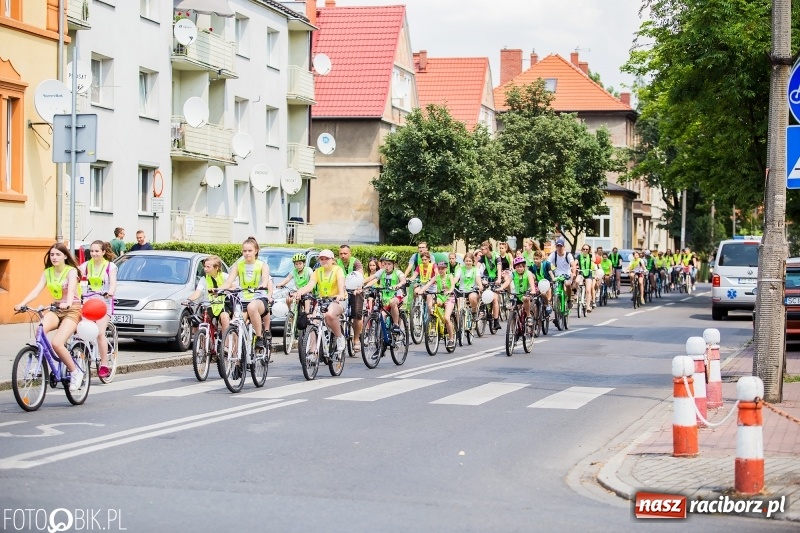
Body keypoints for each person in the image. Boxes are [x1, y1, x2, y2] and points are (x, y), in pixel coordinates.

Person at [14, 243, 85, 391]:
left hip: (72, 309)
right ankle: (40, 364)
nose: (54, 257)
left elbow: (71, 289)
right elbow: (36, 290)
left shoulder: (71, 271)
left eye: (58, 254)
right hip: (55, 308)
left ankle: (75, 372)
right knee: (40, 331)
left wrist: (69, 303)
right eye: (52, 254)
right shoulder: (48, 272)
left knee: (57, 343)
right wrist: (22, 303)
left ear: (65, 256)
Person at [218, 237, 272, 350]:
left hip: (259, 299)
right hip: (242, 300)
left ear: (256, 251)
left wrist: (263, 285)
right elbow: (229, 282)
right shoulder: (239, 265)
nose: (247, 253)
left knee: (252, 308)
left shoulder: (262, 265)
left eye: (250, 251)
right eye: (244, 251)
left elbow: (265, 279)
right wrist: (218, 289)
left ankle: (259, 338)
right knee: (236, 324)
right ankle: (236, 360)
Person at [294, 249, 348, 355]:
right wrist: (299, 292)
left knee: (330, 315)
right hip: (323, 301)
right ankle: (313, 351)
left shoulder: (338, 270)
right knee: (314, 322)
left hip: (337, 300)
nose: (324, 261)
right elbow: (310, 285)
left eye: (326, 259)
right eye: (321, 259)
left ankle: (340, 337)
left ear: (332, 260)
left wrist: (341, 294)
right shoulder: (317, 272)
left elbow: (341, 283)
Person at [79, 240, 118, 379]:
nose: (94, 254)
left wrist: (110, 292)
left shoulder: (110, 266)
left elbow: (113, 283)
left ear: (103, 252)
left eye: (97, 251)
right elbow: (77, 279)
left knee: (100, 333)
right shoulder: (85, 266)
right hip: (88, 303)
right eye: (92, 251)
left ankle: (104, 364)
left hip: (104, 303)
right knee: (80, 331)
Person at [183, 255, 231, 335]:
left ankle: (225, 344)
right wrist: (189, 300)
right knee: (199, 321)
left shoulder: (225, 276)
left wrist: (224, 290)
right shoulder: (204, 279)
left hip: (222, 305)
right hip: (209, 305)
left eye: (208, 267)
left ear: (216, 268)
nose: (205, 269)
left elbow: (233, 286)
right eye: (205, 266)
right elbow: (197, 292)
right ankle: (201, 343)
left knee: (225, 318)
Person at [363, 251, 407, 332]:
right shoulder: (381, 271)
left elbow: (403, 280)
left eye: (389, 264)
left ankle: (396, 325)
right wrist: (363, 286)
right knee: (382, 316)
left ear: (394, 264)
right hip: (385, 298)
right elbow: (373, 279)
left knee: (393, 302)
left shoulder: (397, 272)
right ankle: (381, 337)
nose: (387, 266)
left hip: (396, 296)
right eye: (385, 263)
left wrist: (398, 285)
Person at [418, 261, 456, 348]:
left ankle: (451, 339)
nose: (441, 270)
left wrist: (450, 290)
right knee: (430, 299)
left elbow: (453, 285)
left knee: (446, 318)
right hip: (440, 297)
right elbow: (428, 284)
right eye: (439, 268)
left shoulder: (449, 276)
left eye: (443, 268)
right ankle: (432, 319)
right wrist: (421, 291)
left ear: (446, 269)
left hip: (449, 298)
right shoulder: (436, 277)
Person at [337, 245, 364, 355]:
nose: (343, 256)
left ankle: (356, 339)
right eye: (341, 254)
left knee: (357, 313)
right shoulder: (336, 263)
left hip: (355, 289)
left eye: (345, 253)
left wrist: (358, 287)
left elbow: (360, 273)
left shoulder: (356, 262)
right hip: (342, 291)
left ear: (350, 253)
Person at [500, 256, 536, 324]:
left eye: (521, 266)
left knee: (525, 298)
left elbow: (532, 284)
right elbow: (507, 282)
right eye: (517, 267)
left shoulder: (528, 273)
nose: (519, 268)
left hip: (527, 294)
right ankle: (514, 328)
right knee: (513, 310)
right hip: (517, 295)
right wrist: (501, 287)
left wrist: (533, 290)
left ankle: (528, 316)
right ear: (515, 267)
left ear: (524, 267)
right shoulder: (513, 274)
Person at [478, 240, 503, 331]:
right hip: (487, 277)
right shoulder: (482, 257)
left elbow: (499, 269)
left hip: (496, 278)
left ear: (488, 249)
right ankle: (483, 310)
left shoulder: (496, 256)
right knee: (481, 292)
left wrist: (499, 279)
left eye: (483, 249)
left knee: (495, 298)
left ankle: (496, 321)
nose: (481, 251)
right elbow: (477, 268)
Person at [547, 238, 577, 306]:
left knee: (567, 284)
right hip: (557, 274)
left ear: (564, 247)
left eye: (561, 246)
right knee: (555, 286)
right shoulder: (553, 254)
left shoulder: (568, 255)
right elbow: (548, 263)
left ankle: (569, 300)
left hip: (567, 273)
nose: (559, 248)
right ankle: (556, 301)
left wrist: (574, 273)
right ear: (556, 247)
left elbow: (573, 264)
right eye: (558, 246)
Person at [408, 250, 438, 316]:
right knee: (416, 291)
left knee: (429, 304)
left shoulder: (433, 265)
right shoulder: (419, 266)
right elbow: (414, 276)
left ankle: (430, 317)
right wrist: (409, 280)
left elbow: (437, 273)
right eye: (422, 260)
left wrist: (435, 278)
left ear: (429, 259)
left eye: (425, 259)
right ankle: (417, 305)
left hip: (431, 287)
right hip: (422, 286)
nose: (424, 261)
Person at [457, 252, 483, 319]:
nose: (468, 262)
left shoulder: (476, 270)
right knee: (459, 309)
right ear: (464, 261)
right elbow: (455, 279)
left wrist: (480, 286)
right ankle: (460, 325)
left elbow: (478, 279)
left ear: (472, 261)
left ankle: (474, 312)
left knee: (472, 297)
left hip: (472, 290)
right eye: (466, 261)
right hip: (462, 291)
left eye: (469, 261)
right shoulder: (460, 269)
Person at [574, 243, 595, 312]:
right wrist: (573, 267)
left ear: (589, 250)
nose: (585, 250)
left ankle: (588, 306)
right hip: (581, 272)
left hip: (588, 273)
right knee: (577, 281)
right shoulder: (579, 256)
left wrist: (593, 252)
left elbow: (594, 260)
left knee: (588, 290)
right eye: (584, 249)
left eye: (587, 249)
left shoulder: (590, 255)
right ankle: (577, 292)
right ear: (582, 250)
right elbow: (575, 262)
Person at [532, 250, 554, 314]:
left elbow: (550, 272)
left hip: (547, 283)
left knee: (544, 293)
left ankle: (547, 305)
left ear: (541, 259)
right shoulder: (533, 266)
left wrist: (553, 279)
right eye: (534, 259)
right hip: (538, 284)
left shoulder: (547, 264)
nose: (535, 260)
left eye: (537, 259)